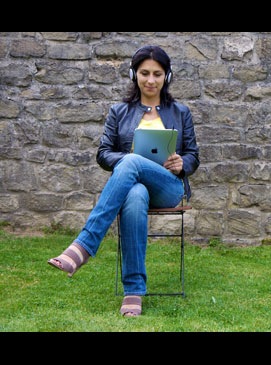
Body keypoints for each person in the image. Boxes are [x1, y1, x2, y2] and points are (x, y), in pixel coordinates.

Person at [47, 45, 200, 317]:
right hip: (132, 186)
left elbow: (194, 157)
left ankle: (83, 246)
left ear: (168, 76)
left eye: (157, 73)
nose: (150, 80)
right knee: (135, 194)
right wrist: (130, 161)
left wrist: (181, 164)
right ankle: (133, 292)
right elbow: (103, 154)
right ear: (134, 74)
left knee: (130, 163)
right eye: (144, 73)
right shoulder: (119, 111)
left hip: (169, 187)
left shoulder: (181, 112)